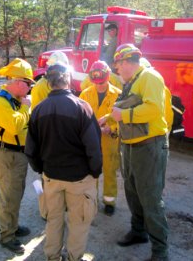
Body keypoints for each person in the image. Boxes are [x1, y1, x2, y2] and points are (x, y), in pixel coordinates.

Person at [25, 60, 102, 261]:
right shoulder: (82, 108)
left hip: (51, 177)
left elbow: (30, 150)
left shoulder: (38, 110)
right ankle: (74, 258)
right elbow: (94, 147)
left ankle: (52, 257)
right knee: (78, 223)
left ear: (49, 83)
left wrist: (42, 170)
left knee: (53, 220)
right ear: (68, 80)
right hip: (79, 179)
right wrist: (95, 172)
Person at [100, 44, 170, 261]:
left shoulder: (150, 77)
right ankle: (139, 232)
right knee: (132, 192)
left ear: (128, 61)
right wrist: (109, 118)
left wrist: (124, 116)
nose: (116, 69)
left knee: (150, 197)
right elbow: (124, 107)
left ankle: (160, 252)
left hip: (149, 146)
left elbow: (153, 109)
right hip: (130, 145)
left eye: (118, 64)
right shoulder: (132, 82)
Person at [0, 58, 34, 255]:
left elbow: (24, 126)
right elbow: (15, 125)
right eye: (28, 83)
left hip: (17, 155)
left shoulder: (15, 101)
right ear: (17, 82)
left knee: (15, 194)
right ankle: (6, 236)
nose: (30, 87)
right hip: (6, 156)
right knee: (8, 197)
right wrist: (27, 107)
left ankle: (13, 227)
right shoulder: (0, 102)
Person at [30, 51, 70, 220]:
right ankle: (46, 211)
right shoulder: (40, 87)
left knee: (59, 176)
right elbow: (38, 115)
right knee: (46, 177)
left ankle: (60, 205)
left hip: (58, 135)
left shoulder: (59, 83)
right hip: (47, 136)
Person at [79, 60, 121, 216]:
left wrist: (112, 128)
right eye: (96, 81)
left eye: (102, 80)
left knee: (110, 172)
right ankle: (92, 200)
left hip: (110, 140)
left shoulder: (118, 94)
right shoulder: (85, 94)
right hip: (91, 140)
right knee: (91, 171)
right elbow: (81, 117)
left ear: (108, 76)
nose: (99, 84)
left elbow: (122, 119)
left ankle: (109, 202)